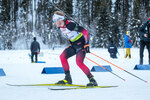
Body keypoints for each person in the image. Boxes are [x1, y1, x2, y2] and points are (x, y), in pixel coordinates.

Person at [52, 11, 97, 86]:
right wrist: (71, 42)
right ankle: (68, 78)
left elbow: (85, 31)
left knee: (79, 62)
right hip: (74, 45)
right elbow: (70, 35)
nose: (54, 22)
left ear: (60, 20)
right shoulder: (60, 26)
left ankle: (92, 80)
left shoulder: (70, 25)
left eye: (54, 20)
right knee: (62, 57)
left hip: (81, 45)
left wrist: (86, 44)